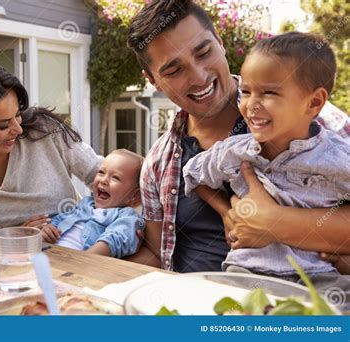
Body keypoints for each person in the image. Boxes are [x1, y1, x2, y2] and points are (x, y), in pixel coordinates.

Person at [125, 0, 350, 273]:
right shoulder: (157, 162)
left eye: (204, 52)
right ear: (153, 81)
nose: (198, 77)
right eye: (174, 70)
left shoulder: (314, 118)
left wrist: (274, 223)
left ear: (219, 42)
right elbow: (156, 252)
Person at [182, 32, 350, 306]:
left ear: (314, 102)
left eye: (269, 92)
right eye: (246, 91)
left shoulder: (338, 157)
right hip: (245, 273)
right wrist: (227, 214)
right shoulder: (235, 151)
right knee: (206, 308)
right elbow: (193, 173)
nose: (251, 105)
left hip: (317, 279)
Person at [0, 58, 103, 254]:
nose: (17, 129)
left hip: (78, 251)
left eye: (17, 114)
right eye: (2, 125)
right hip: (13, 266)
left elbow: (101, 175)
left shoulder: (45, 131)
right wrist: (18, 236)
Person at [41, 149, 145, 258]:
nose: (103, 180)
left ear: (134, 196)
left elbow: (115, 239)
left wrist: (83, 260)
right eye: (101, 172)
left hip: (77, 264)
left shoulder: (127, 216)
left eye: (115, 177)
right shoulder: (84, 204)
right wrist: (48, 230)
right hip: (46, 256)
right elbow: (60, 220)